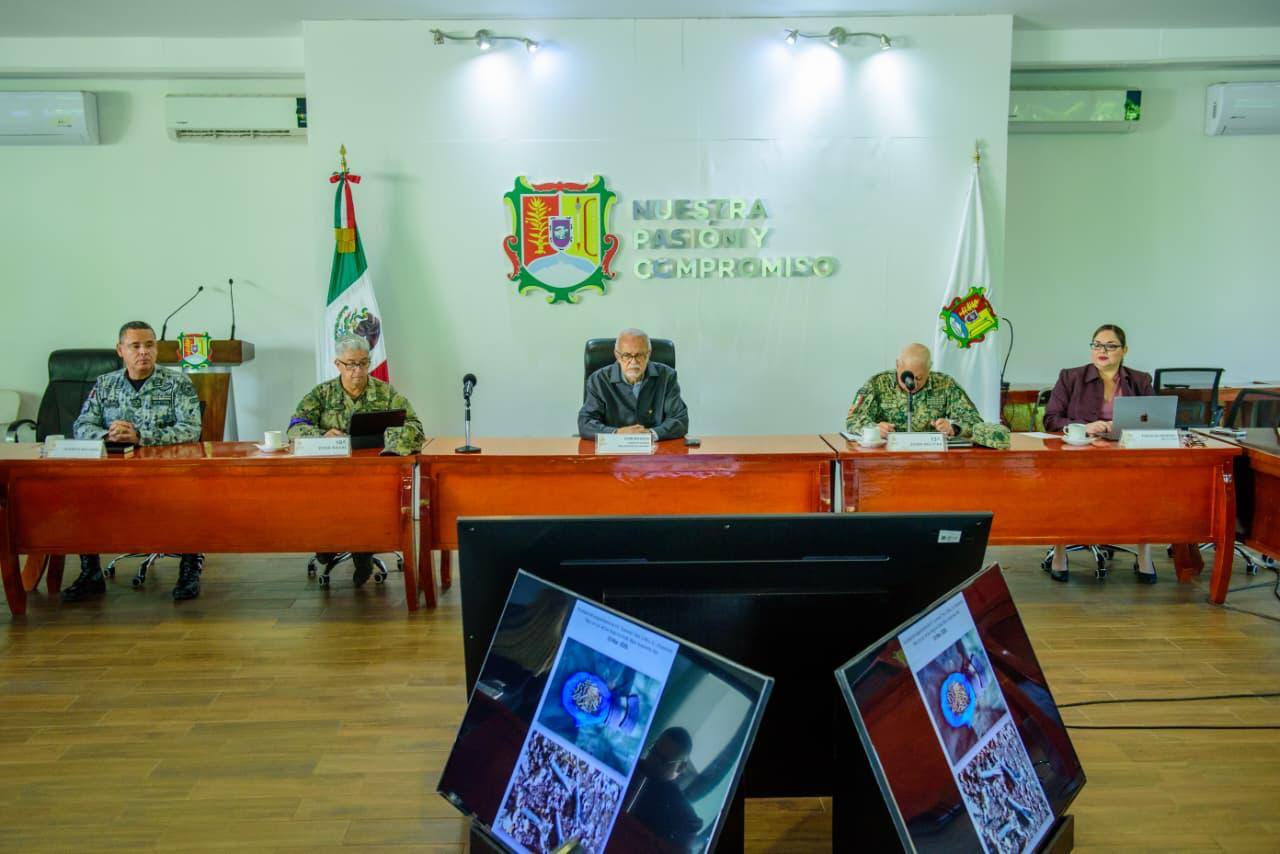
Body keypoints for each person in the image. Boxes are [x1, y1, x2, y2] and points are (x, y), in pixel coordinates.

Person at [64, 320, 205, 602]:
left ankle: (190, 569)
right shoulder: (106, 384)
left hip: (166, 471)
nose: (143, 352)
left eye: (149, 345)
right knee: (79, 496)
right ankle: (90, 572)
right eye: (135, 346)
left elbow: (191, 428)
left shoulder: (177, 382)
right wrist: (108, 435)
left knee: (191, 498)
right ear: (120, 350)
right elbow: (81, 425)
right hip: (114, 473)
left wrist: (141, 436)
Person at [288, 334, 425, 587]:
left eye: (363, 363)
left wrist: (386, 439)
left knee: (367, 500)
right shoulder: (322, 394)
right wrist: (321, 435)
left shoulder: (385, 393)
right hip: (330, 478)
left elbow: (415, 427)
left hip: (373, 477)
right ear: (338, 364)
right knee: (324, 505)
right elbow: (295, 427)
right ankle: (328, 544)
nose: (358, 371)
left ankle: (363, 552)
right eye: (351, 364)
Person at [1043, 323, 1157, 584]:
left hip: (1125, 455)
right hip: (1079, 455)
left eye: (1110, 346)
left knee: (1147, 486)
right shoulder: (1070, 377)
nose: (1102, 350)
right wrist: (1083, 427)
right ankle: (1060, 552)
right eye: (1097, 345)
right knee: (1063, 488)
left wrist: (1123, 426)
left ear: (1124, 350)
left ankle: (1145, 555)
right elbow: (1051, 419)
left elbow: (1154, 420)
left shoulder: (1140, 380)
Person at [846, 343, 982, 438]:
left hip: (931, 456)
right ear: (897, 365)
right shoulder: (878, 383)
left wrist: (954, 428)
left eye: (919, 378)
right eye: (907, 377)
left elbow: (974, 421)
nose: (912, 384)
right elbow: (853, 419)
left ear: (929, 368)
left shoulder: (945, 385)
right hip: (887, 455)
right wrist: (874, 429)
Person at [578, 328, 688, 441]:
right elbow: (585, 423)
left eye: (640, 355)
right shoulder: (598, 379)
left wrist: (650, 434)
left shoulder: (667, 376)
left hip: (656, 448)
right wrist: (616, 433)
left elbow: (680, 420)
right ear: (617, 355)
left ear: (648, 354)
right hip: (613, 448)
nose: (634, 362)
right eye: (626, 355)